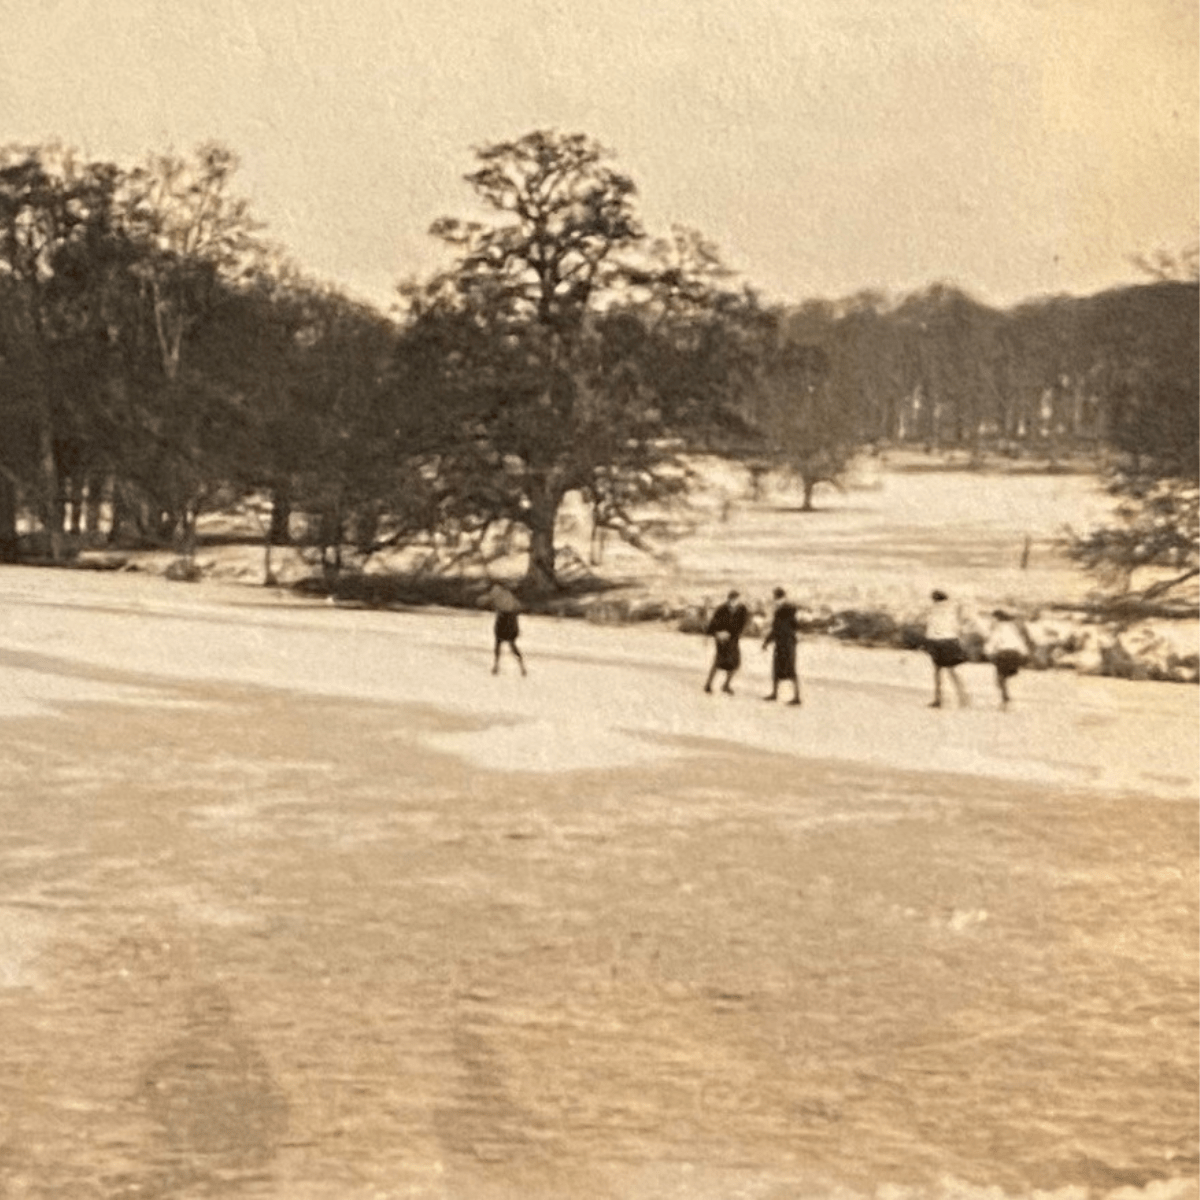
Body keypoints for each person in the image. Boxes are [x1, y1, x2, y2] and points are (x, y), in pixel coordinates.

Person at [924, 589, 968, 708]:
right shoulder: (952, 609)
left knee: (937, 672)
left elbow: (929, 627)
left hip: (935, 641)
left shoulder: (931, 610)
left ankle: (938, 699)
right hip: (950, 640)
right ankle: (963, 698)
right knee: (952, 671)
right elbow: (958, 626)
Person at [985, 608, 1033, 709]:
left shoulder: (999, 628)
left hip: (1005, 654)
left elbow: (992, 642)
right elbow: (1020, 642)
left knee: (999, 679)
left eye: (992, 618)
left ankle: (1005, 700)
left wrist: (988, 653)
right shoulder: (1012, 627)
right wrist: (1025, 655)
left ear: (997, 618)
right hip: (1016, 654)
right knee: (1002, 678)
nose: (991, 620)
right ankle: (1006, 698)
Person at [762, 587, 802, 705]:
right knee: (781, 669)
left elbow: (776, 629)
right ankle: (779, 694)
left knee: (788, 670)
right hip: (785, 643)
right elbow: (789, 626)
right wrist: (767, 641)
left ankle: (794, 697)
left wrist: (766, 642)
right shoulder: (784, 610)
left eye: (776, 598)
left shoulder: (784, 610)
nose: (775, 600)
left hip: (786, 643)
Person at [703, 590, 749, 695]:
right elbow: (713, 623)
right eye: (732, 599)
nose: (734, 601)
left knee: (734, 663)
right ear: (728, 599)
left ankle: (726, 685)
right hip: (721, 640)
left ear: (738, 599)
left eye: (736, 599)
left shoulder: (742, 609)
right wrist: (716, 633)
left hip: (733, 639)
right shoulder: (721, 609)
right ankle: (708, 684)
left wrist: (733, 634)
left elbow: (743, 624)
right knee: (718, 661)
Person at [490, 587, 527, 676]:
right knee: (512, 644)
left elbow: (492, 604)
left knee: (498, 643)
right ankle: (522, 666)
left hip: (503, 621)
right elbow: (519, 608)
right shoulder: (513, 598)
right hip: (511, 622)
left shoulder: (497, 595)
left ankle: (496, 665)